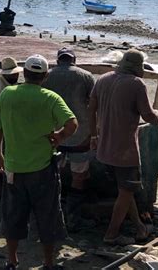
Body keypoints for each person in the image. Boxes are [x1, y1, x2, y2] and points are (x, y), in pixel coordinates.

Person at [0, 55, 78, 270]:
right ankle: (48, 263)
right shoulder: (50, 98)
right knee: (47, 216)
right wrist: (59, 136)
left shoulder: (7, 94)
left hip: (13, 168)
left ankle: (12, 260)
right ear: (45, 77)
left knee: (13, 216)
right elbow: (72, 123)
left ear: (24, 74)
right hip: (43, 169)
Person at [88, 49, 158, 245]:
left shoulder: (104, 79)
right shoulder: (136, 84)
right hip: (125, 150)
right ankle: (112, 234)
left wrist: (94, 135)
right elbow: (148, 116)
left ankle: (139, 227)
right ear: (138, 68)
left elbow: (91, 109)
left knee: (125, 190)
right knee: (126, 191)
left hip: (104, 147)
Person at [42, 47, 96, 232]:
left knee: (50, 174)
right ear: (74, 60)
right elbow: (93, 103)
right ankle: (72, 217)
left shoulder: (47, 75)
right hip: (80, 133)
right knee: (79, 175)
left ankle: (51, 215)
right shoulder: (86, 76)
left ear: (58, 60)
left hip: (53, 133)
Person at [0, 57, 23, 199]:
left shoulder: (9, 86)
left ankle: (4, 187)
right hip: (0, 128)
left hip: (8, 127)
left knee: (5, 157)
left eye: (16, 74)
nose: (16, 76)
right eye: (13, 74)